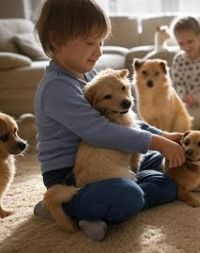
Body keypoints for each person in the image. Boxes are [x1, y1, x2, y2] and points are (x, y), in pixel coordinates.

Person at [32, 0, 185, 241]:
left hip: (107, 161)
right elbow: (100, 132)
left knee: (166, 178)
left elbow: (124, 122)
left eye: (101, 42)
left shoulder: (88, 75)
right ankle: (66, 205)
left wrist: (162, 137)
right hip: (70, 176)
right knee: (129, 195)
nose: (99, 50)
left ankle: (102, 206)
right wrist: (155, 141)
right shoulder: (56, 88)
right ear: (56, 40)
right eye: (90, 43)